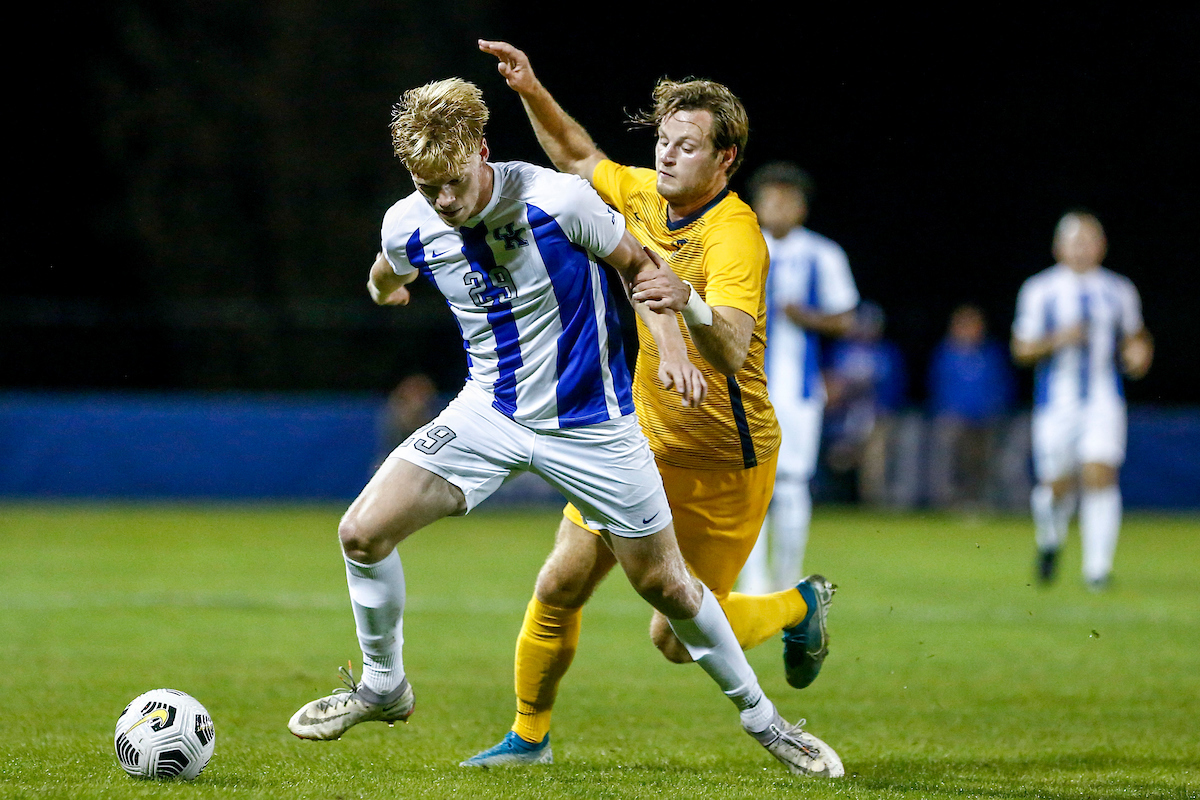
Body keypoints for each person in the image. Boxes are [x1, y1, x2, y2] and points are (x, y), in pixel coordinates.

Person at [287, 76, 843, 778]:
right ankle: (388, 686)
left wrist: (673, 348)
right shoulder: (411, 218)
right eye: (430, 189)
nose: (447, 202)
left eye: (455, 183)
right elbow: (386, 266)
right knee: (362, 533)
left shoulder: (559, 201)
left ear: (482, 151)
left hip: (596, 426)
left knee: (669, 595)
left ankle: (768, 722)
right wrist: (385, 286)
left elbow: (641, 267)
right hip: (489, 412)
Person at [466, 41, 841, 771]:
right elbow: (578, 157)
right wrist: (531, 89)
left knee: (673, 637)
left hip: (723, 463)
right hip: (636, 443)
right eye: (664, 142)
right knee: (559, 582)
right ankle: (528, 739)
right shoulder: (642, 192)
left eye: (687, 147)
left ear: (725, 160)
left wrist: (689, 301)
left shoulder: (737, 235)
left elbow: (732, 348)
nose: (666, 158)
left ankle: (799, 604)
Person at [1011, 210, 1152, 590]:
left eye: (1089, 240)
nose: (1081, 248)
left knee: (1099, 473)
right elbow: (1021, 348)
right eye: (1074, 241)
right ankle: (1050, 540)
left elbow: (1136, 336)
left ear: (1101, 245)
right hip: (1056, 403)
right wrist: (1057, 339)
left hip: (1104, 399)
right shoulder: (1040, 289)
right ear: (1059, 246)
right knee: (1056, 485)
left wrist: (1139, 355)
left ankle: (1097, 570)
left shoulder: (1118, 289)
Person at [738, 163, 859, 594]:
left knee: (790, 484)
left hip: (801, 390)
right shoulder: (741, 247)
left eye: (788, 199)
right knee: (748, 482)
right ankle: (752, 581)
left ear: (802, 207)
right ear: (757, 204)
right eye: (772, 197)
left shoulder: (824, 254)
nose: (780, 206)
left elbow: (847, 318)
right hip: (745, 386)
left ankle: (786, 578)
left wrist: (805, 317)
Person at [926, 304, 1015, 510]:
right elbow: (936, 385)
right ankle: (949, 502)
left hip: (986, 418)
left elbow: (1004, 384)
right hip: (954, 418)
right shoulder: (945, 353)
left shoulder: (991, 353)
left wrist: (996, 408)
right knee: (952, 462)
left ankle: (980, 502)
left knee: (983, 463)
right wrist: (945, 410)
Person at [822, 301, 908, 506]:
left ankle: (872, 505)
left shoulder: (886, 352)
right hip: (841, 417)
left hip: (875, 416)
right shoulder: (840, 350)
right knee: (836, 459)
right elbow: (827, 383)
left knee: (874, 462)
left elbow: (894, 387)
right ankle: (830, 500)